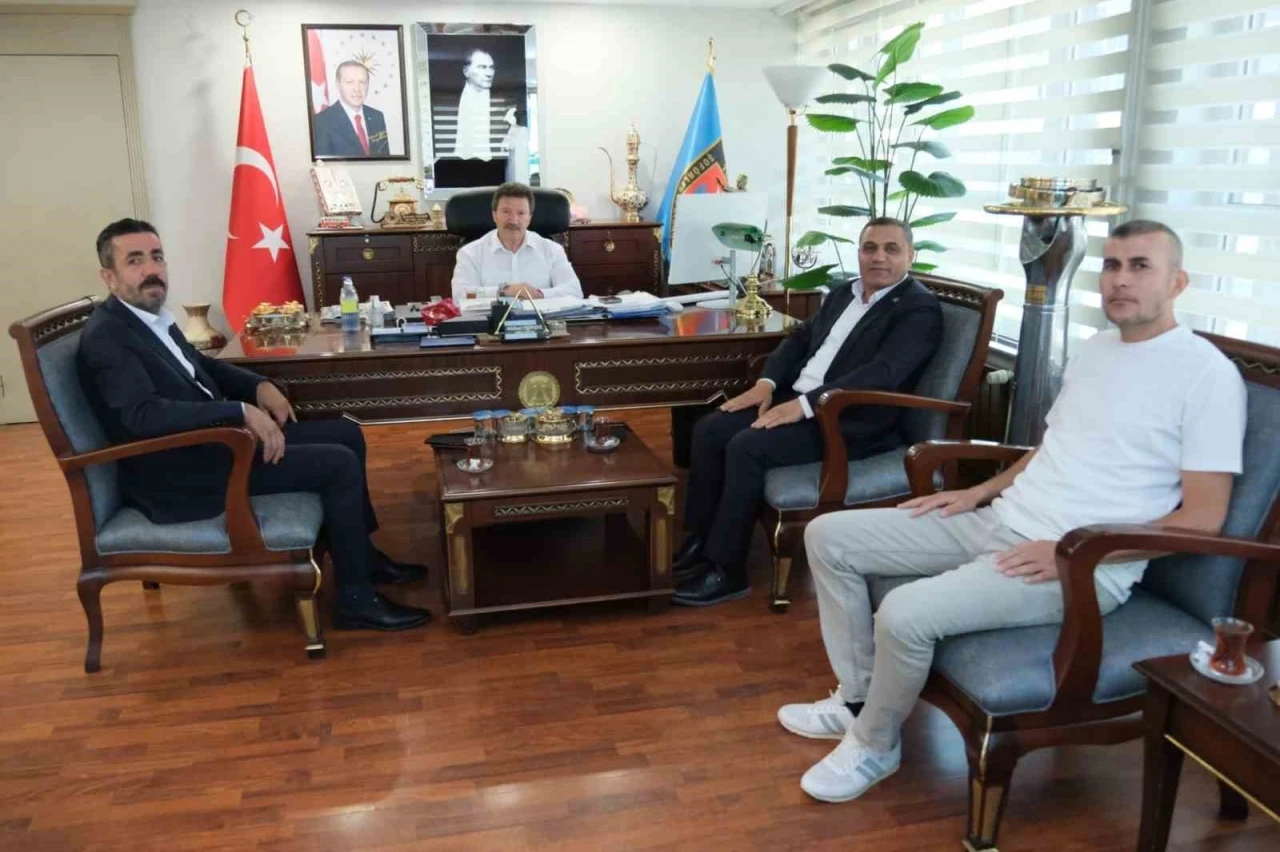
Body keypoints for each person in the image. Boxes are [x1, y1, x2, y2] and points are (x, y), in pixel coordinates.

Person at [779, 220, 1246, 804]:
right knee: (828, 537)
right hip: (1001, 519)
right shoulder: (1096, 351)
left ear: (1178, 282)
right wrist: (978, 492)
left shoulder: (1206, 376)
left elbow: (1203, 519)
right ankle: (857, 699)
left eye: (1139, 266)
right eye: (1111, 265)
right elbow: (1049, 447)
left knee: (903, 613)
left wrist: (1070, 553)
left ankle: (875, 744)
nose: (1120, 280)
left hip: (1082, 566)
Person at [77, 219, 430, 632]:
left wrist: (258, 385)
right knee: (338, 464)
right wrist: (239, 412)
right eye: (134, 261)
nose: (151, 270)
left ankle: (361, 558)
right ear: (109, 277)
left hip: (216, 445)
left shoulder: (147, 318)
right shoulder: (108, 338)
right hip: (182, 472)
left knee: (346, 433)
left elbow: (202, 366)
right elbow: (144, 416)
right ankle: (355, 599)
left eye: (157, 257)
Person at [671, 218, 944, 606]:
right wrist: (766, 384)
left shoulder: (918, 309)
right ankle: (700, 542)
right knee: (709, 430)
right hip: (798, 399)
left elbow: (882, 373)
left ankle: (727, 570)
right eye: (870, 248)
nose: (878, 257)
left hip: (850, 420)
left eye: (891, 249)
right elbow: (799, 339)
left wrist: (804, 406)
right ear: (859, 253)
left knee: (747, 448)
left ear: (911, 256)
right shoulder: (845, 292)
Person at [450, 182, 583, 301]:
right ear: (494, 215)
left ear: (529, 218)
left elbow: (574, 292)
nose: (513, 220)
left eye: (521, 213)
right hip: (490, 320)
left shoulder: (552, 250)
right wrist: (504, 292)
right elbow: (461, 296)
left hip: (542, 319)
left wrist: (539, 294)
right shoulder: (470, 253)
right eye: (506, 212)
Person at [313, 61, 390, 158]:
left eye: (362, 82)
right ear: (338, 84)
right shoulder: (321, 121)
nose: (357, 89)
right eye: (349, 82)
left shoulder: (377, 117)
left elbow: (385, 160)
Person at [453, 49, 497, 161]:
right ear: (466, 72)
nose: (489, 74)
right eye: (482, 67)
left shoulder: (503, 101)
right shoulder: (450, 97)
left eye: (491, 68)